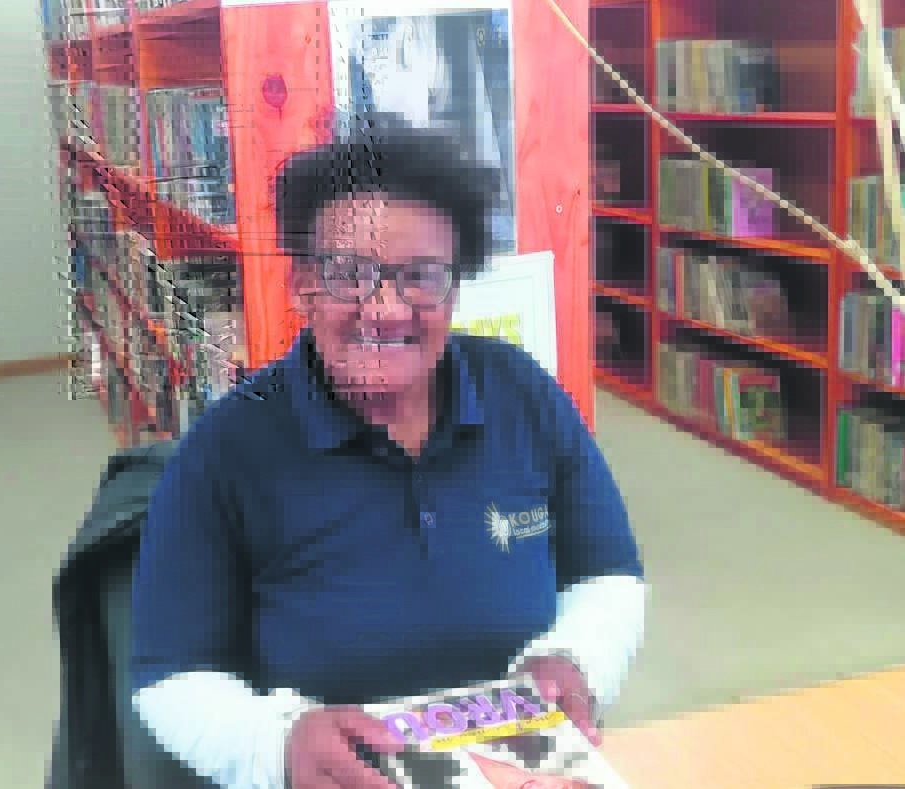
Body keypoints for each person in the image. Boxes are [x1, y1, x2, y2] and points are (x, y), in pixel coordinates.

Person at [129, 113, 647, 789]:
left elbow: (607, 572)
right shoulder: (224, 450)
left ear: (454, 288)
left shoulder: (521, 392)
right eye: (349, 273)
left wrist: (575, 657)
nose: (386, 309)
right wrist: (277, 744)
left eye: (421, 276)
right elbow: (168, 675)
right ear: (300, 285)